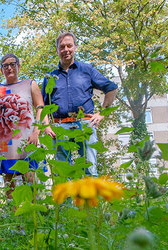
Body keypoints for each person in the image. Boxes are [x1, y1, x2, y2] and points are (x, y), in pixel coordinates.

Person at [41, 32, 118, 177]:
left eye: (69, 45)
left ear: (75, 47)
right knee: (62, 173)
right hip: (60, 126)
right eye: (62, 47)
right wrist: (46, 126)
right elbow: (42, 105)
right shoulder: (50, 77)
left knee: (89, 168)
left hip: (85, 124)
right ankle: (66, 200)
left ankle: (89, 200)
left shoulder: (87, 70)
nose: (66, 50)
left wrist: (102, 113)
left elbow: (111, 88)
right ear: (57, 50)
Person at [0, 53, 55, 198]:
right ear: (1, 70)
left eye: (12, 64)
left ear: (19, 66)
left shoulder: (30, 84)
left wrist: (37, 131)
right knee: (8, 180)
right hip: (4, 141)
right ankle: (13, 214)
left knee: (30, 178)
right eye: (5, 66)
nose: (9, 68)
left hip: (27, 139)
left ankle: (36, 216)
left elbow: (40, 108)